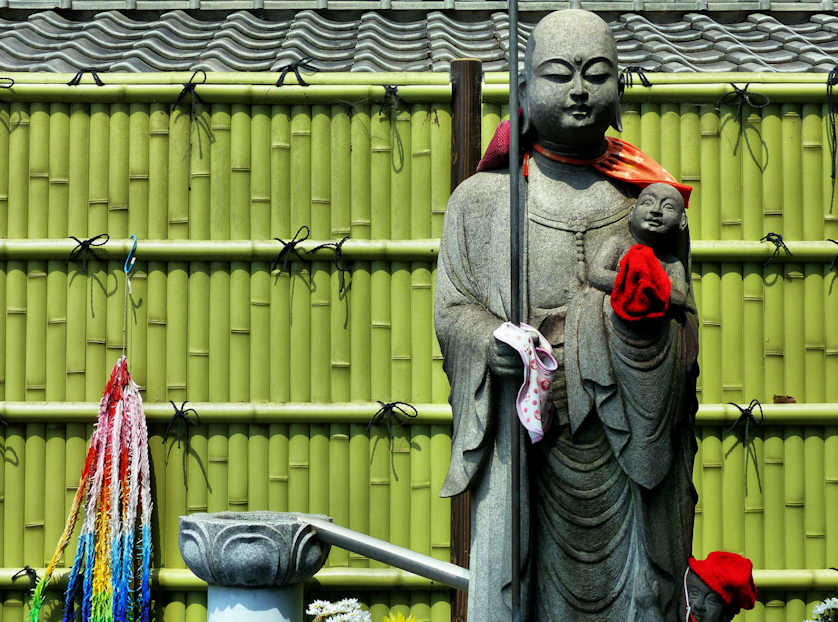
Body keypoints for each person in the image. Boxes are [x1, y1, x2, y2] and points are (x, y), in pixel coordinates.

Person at [434, 9, 700, 621]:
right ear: (524, 92)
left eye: (597, 74)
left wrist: (624, 339)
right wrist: (489, 342)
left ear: (619, 92)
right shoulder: (482, 202)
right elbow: (452, 312)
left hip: (626, 443)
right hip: (527, 440)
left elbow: (682, 333)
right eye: (559, 75)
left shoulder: (648, 201)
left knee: (642, 595)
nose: (580, 90)